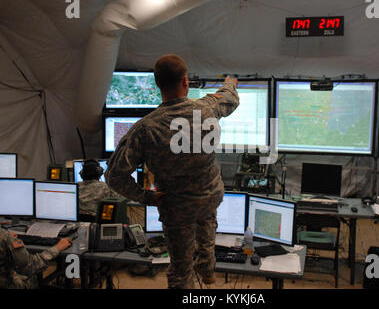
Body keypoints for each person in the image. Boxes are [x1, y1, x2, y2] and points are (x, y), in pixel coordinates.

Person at [105, 54, 239, 289]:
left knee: (180, 267)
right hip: (208, 198)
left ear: (157, 85)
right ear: (186, 82)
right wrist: (230, 82)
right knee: (206, 221)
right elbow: (229, 98)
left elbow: (114, 175)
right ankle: (207, 267)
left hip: (176, 206)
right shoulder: (207, 108)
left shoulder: (146, 127)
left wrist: (146, 197)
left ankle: (190, 277)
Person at [0, 228, 72, 288]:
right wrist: (57, 248)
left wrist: (8, 238)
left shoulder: (4, 235)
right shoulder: (4, 236)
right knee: (31, 277)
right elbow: (31, 266)